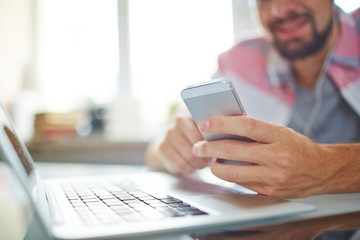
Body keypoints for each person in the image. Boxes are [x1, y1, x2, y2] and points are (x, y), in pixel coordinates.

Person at [145, 0, 360, 199]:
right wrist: (170, 149)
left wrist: (324, 166)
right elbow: (156, 150)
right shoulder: (241, 58)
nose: (278, 10)